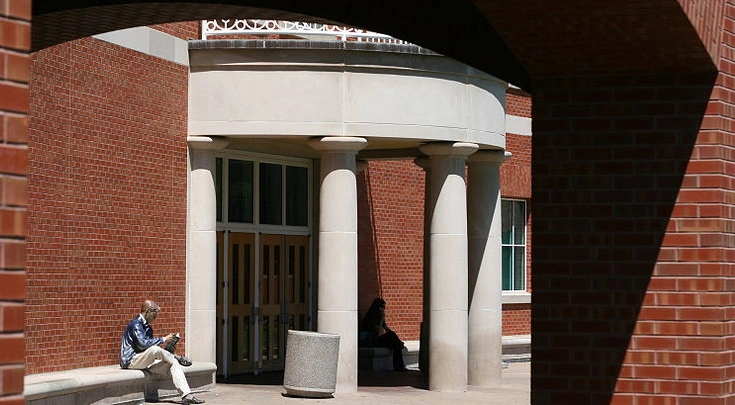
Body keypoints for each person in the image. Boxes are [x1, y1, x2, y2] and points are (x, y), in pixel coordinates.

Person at [120, 299, 205, 404]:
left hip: (144, 362)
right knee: (156, 349)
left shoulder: (148, 328)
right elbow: (142, 344)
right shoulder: (135, 324)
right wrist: (163, 339)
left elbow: (147, 350)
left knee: (173, 363)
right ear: (147, 311)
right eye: (154, 313)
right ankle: (174, 356)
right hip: (130, 361)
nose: (156, 317)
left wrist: (168, 348)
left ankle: (187, 395)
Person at [359, 297, 408, 371]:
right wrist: (381, 319)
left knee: (394, 340)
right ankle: (399, 366)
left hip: (375, 339)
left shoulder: (379, 316)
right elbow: (378, 331)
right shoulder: (371, 317)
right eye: (382, 307)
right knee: (396, 344)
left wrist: (395, 337)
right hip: (370, 341)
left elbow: (387, 329)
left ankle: (399, 365)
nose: (384, 310)